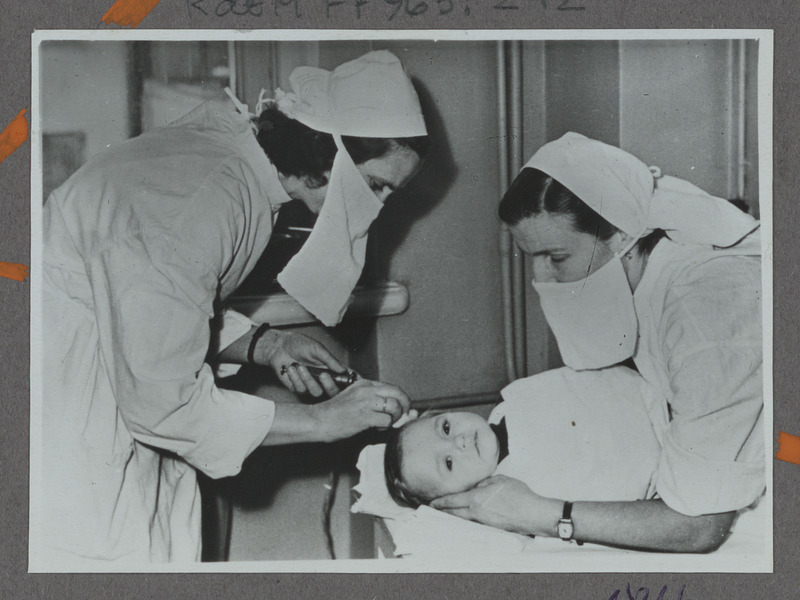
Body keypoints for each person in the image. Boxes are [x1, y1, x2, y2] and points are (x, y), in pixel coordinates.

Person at [36, 50, 428, 565]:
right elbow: (166, 405)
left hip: (111, 404)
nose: (375, 207)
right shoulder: (200, 200)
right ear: (330, 155)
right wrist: (323, 421)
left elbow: (159, 304)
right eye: (374, 185)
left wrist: (268, 344)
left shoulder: (237, 162)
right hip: (71, 436)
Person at [432, 132, 764, 553]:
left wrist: (542, 514)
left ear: (621, 237)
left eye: (557, 258)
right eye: (534, 259)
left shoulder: (702, 311)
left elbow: (698, 528)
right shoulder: (650, 275)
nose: (544, 280)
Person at [383, 366, 661, 509]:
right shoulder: (515, 490)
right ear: (457, 497)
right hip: (661, 461)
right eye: (448, 463)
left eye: (445, 428)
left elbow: (587, 382)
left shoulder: (513, 397)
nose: (458, 442)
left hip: (650, 390)